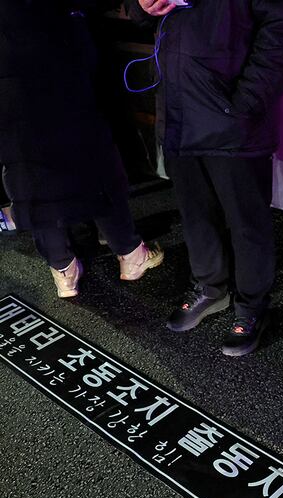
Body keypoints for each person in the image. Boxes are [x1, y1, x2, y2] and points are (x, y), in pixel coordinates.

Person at [127, 0, 283, 356]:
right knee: (195, 214)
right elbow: (138, 11)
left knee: (247, 222)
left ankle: (252, 306)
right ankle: (209, 288)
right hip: (180, 111)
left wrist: (244, 105)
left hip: (232, 119)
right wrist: (140, 6)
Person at [0, 2, 164, 298]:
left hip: (9, 77)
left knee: (28, 172)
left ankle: (63, 270)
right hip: (55, 61)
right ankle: (130, 253)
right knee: (95, 162)